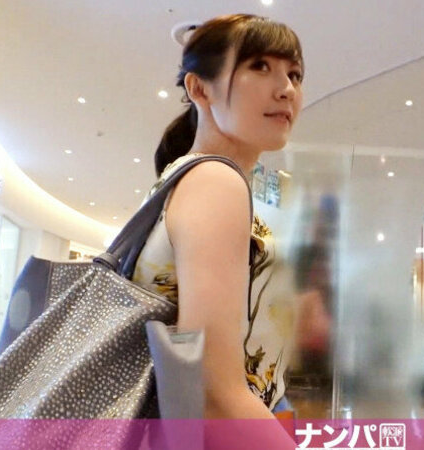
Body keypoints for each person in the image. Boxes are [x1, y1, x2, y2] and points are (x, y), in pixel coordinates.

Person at [131, 14, 303, 442]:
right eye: (259, 66)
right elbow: (214, 395)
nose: (286, 88)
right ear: (199, 88)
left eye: (294, 74)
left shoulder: (187, 178)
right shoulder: (215, 182)